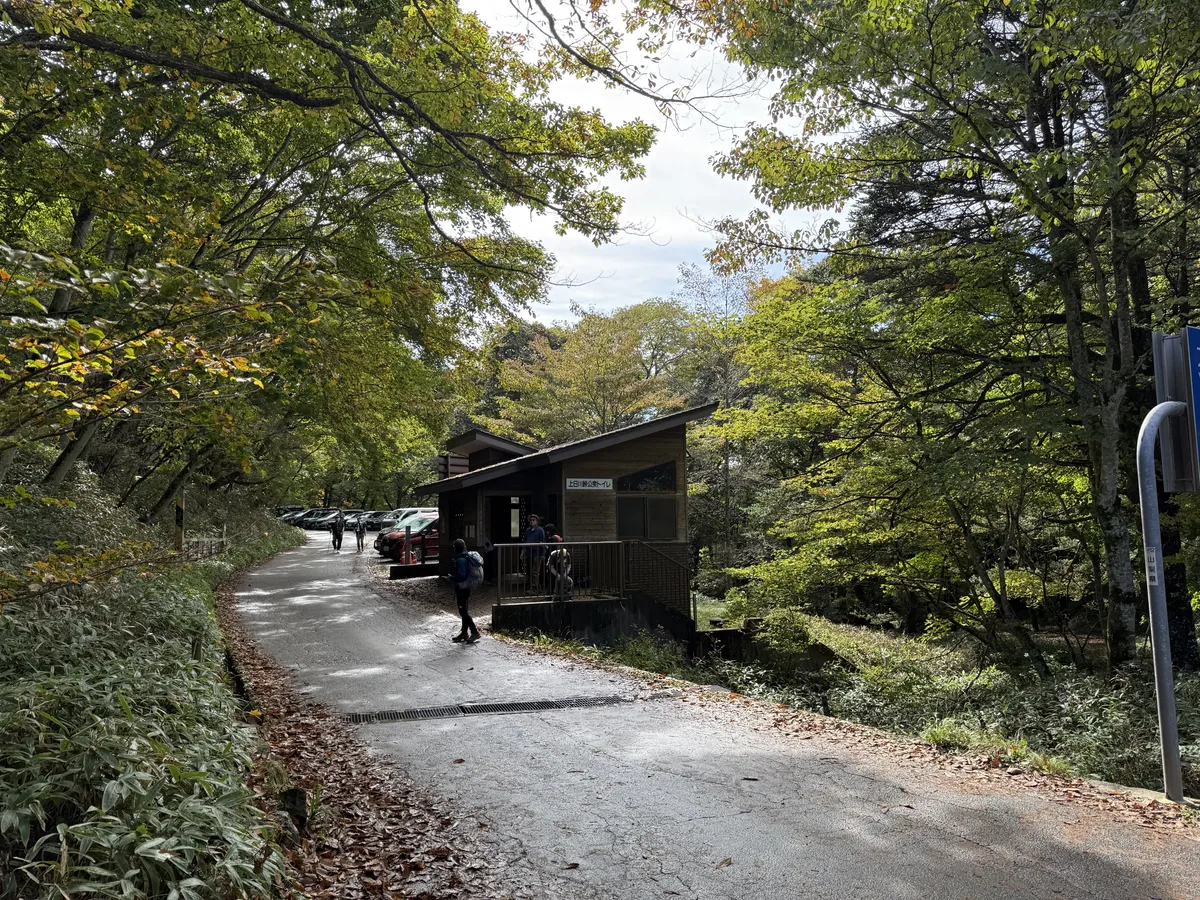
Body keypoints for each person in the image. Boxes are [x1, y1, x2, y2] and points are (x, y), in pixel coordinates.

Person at [451, 538, 481, 644]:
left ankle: (474, 632)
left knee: (463, 611)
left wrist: (453, 578)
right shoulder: (465, 557)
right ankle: (464, 633)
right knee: (464, 610)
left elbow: (462, 576)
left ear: (456, 548)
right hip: (466, 587)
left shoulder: (461, 560)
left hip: (462, 588)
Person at [522, 513, 546, 591]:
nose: (532, 521)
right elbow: (525, 541)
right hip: (529, 553)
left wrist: (542, 554)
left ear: (537, 521)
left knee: (535, 572)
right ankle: (537, 588)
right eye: (531, 520)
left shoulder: (540, 530)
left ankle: (534, 588)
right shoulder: (528, 531)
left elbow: (542, 543)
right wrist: (523, 552)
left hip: (537, 553)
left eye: (533, 520)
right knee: (530, 572)